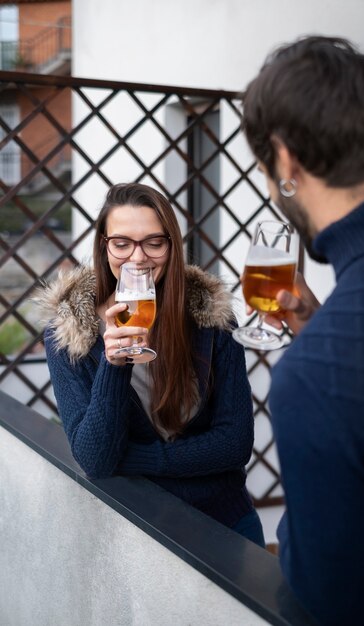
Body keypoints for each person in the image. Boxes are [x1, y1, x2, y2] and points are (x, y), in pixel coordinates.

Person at [242, 35, 364, 625]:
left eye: (268, 171)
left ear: (286, 161)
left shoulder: (316, 377)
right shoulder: (334, 351)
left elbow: (333, 603)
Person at [37, 182, 265, 548]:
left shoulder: (210, 320)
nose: (138, 258)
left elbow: (235, 444)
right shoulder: (69, 336)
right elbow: (96, 459)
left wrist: (135, 458)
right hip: (141, 539)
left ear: (171, 246)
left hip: (226, 523)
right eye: (122, 243)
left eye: (153, 242)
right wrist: (115, 364)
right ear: (104, 246)